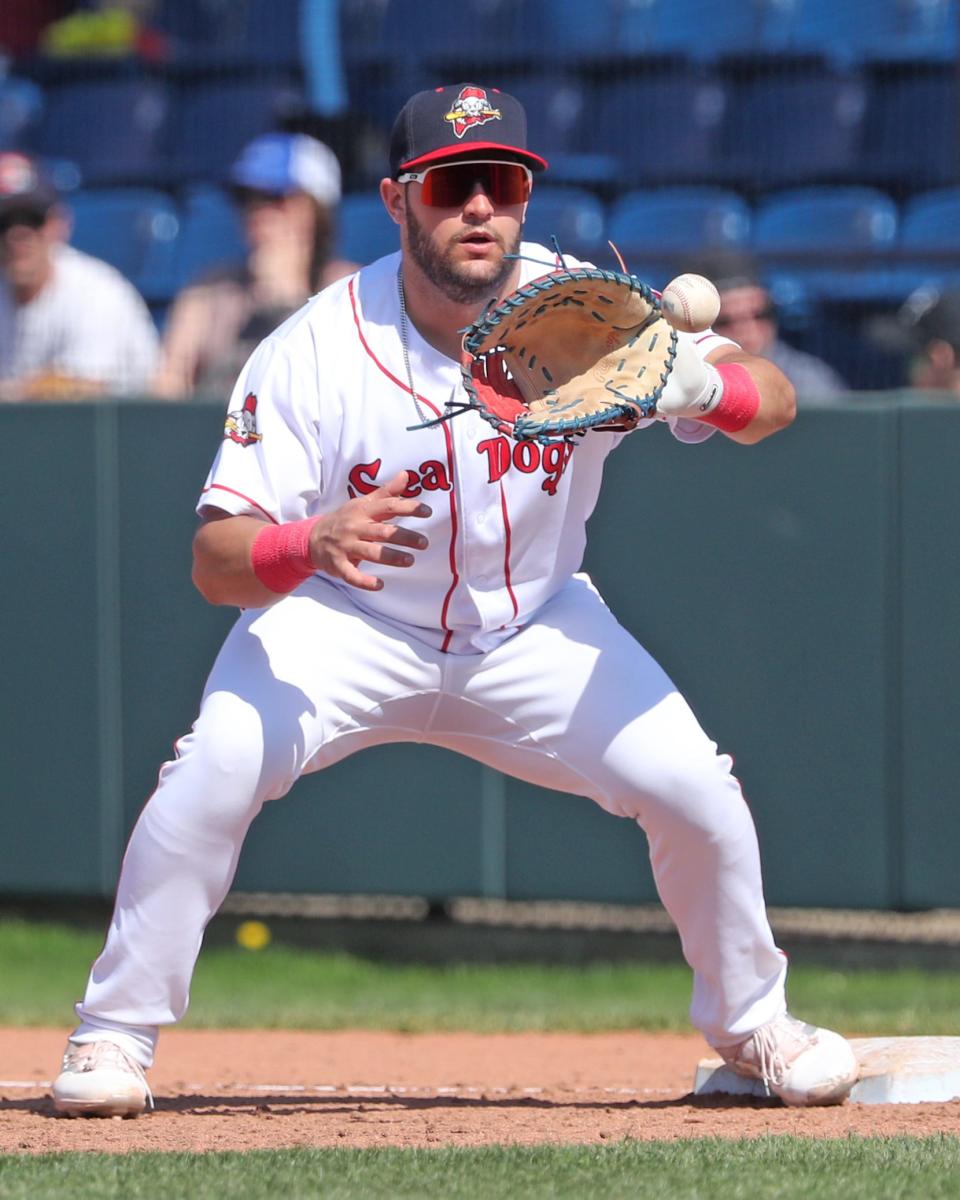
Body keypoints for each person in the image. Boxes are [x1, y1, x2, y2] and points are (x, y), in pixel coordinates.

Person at [51, 82, 859, 1117]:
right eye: (450, 186)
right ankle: (114, 1036)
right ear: (398, 200)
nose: (479, 207)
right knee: (210, 773)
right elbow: (217, 560)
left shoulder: (585, 308)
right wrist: (310, 539)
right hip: (347, 623)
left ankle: (755, 1026)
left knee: (698, 791)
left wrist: (705, 388)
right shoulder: (317, 345)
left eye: (501, 184)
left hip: (534, 621)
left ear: (524, 199)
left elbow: (775, 404)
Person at [152, 132, 357, 400]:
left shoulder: (351, 289)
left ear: (317, 210)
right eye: (246, 198)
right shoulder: (208, 291)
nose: (257, 212)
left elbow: (353, 394)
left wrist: (288, 300)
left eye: (275, 198)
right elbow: (167, 388)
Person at [0, 151, 159, 401]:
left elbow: (85, 389)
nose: (17, 235)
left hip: (126, 434)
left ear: (58, 224)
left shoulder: (96, 291)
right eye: (4, 222)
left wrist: (11, 391)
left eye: (32, 219)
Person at [691, 252, 848, 405]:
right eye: (726, 321)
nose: (747, 331)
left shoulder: (808, 380)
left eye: (759, 315)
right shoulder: (678, 382)